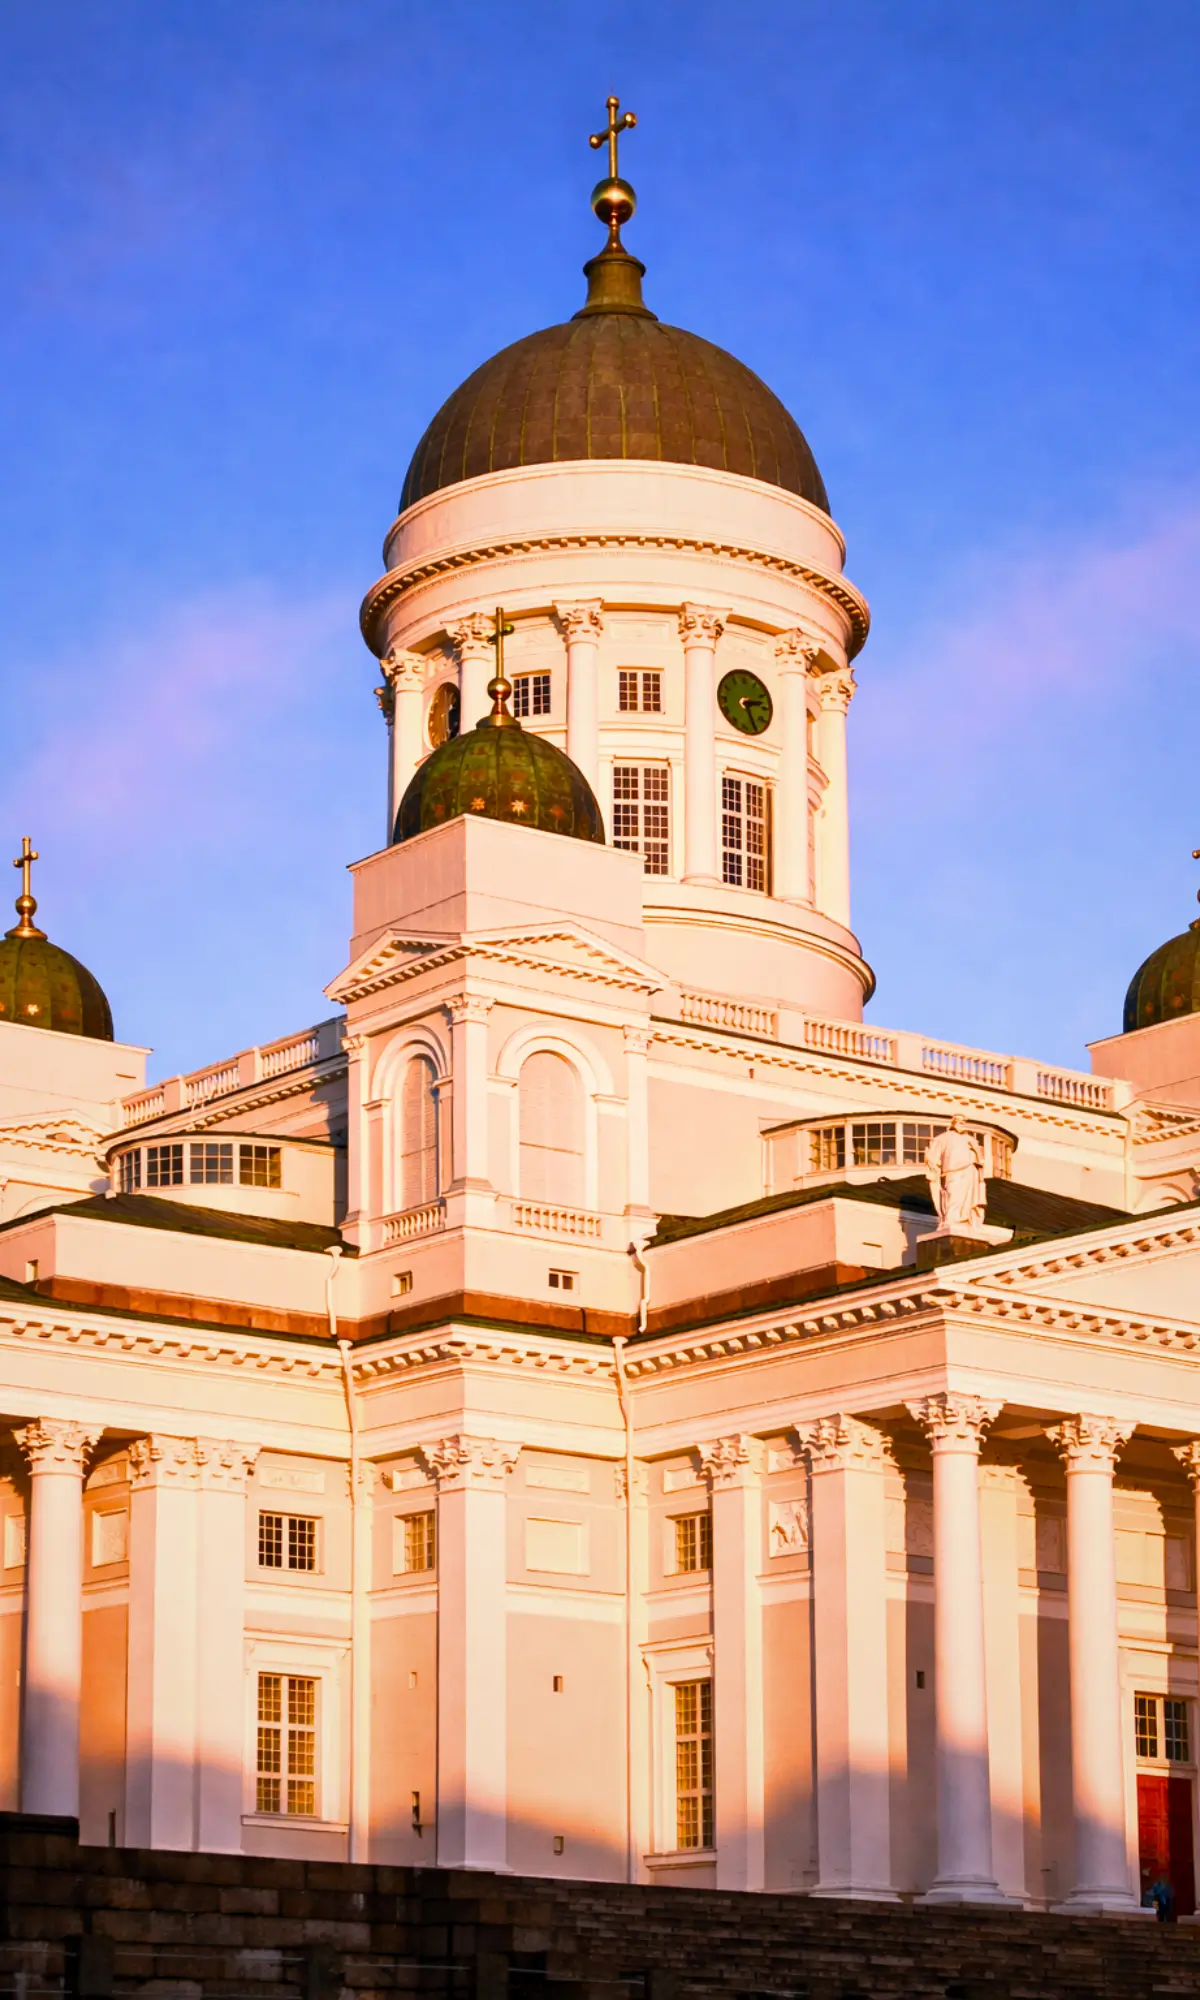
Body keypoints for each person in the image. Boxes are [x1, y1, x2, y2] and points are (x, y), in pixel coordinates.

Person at [924, 1116, 986, 1231]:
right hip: (951, 1171)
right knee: (952, 1194)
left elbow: (980, 1159)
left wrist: (977, 1153)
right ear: (953, 1123)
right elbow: (933, 1157)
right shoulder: (942, 1138)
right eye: (958, 1121)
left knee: (968, 1198)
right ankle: (950, 1220)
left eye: (963, 1121)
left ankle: (966, 1220)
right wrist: (933, 1169)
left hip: (970, 1170)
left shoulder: (970, 1139)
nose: (961, 1123)